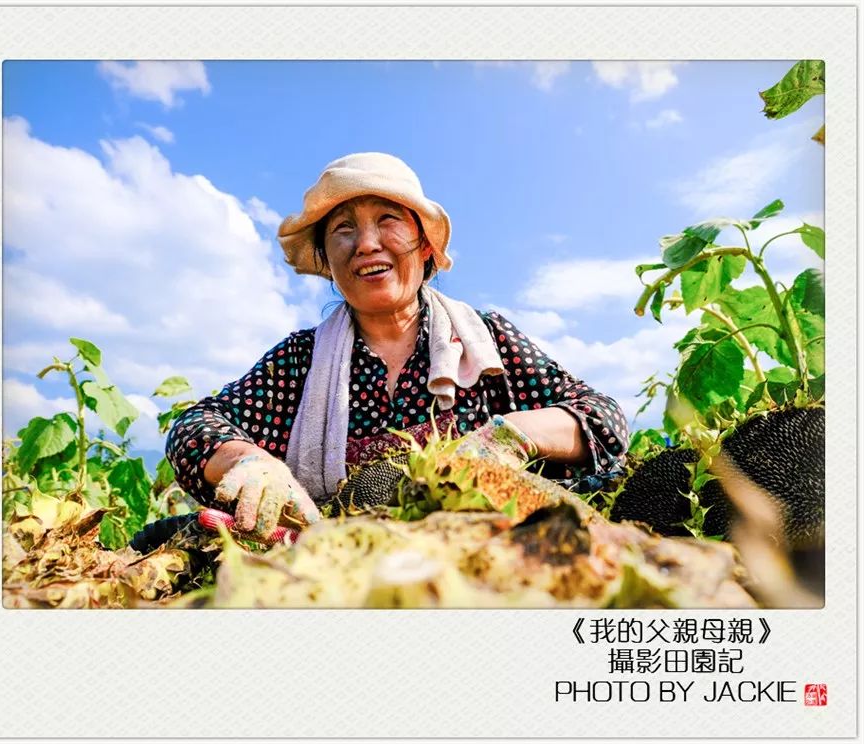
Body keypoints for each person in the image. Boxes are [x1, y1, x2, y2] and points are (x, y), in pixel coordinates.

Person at [166, 152, 629, 542]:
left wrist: (506, 437)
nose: (367, 244)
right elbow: (194, 426)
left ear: (425, 246)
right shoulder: (300, 363)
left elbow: (600, 417)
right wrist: (250, 461)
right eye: (343, 229)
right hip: (340, 570)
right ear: (327, 261)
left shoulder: (485, 343)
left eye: (387, 220)